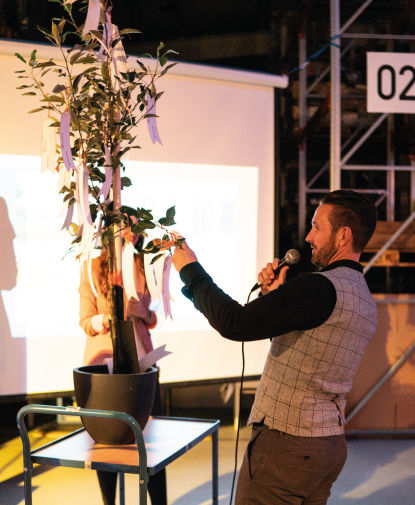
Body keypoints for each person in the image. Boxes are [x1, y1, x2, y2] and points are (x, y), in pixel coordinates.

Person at [171, 190, 378, 505]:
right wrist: (274, 295)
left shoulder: (317, 287)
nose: (308, 236)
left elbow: (235, 322)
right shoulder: (364, 297)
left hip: (287, 445)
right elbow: (305, 349)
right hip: (328, 445)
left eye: (317, 227)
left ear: (343, 235)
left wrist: (192, 271)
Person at [79, 233, 167, 505]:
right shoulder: (92, 267)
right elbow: (85, 321)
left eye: (133, 225)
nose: (129, 232)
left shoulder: (144, 264)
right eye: (122, 224)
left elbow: (156, 315)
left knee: (153, 441)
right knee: (106, 442)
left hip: (144, 365)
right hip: (105, 367)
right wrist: (107, 318)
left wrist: (144, 312)